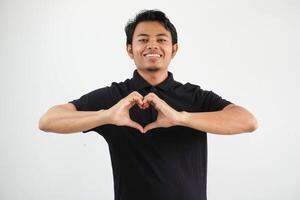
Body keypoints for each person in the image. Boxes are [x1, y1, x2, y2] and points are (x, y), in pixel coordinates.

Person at [39, 9, 258, 200]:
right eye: (143, 39)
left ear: (174, 49)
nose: (152, 44)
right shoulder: (115, 97)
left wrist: (182, 118)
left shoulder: (194, 97)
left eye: (161, 39)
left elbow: (247, 121)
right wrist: (106, 116)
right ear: (129, 49)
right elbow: (48, 120)